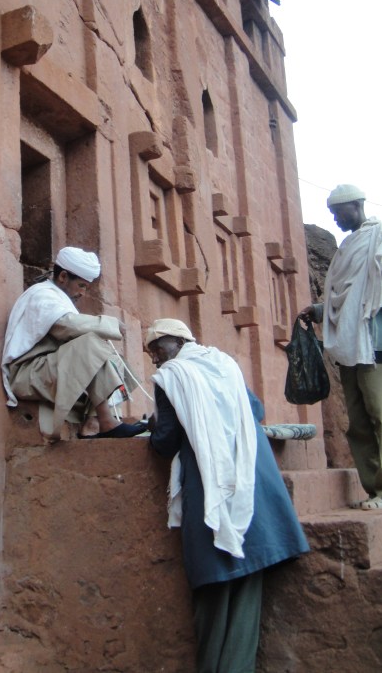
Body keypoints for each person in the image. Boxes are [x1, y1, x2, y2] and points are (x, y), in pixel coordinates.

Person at [146, 318, 309, 673]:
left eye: (155, 351)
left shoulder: (172, 377)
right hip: (253, 476)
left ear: (169, 345)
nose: (155, 361)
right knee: (247, 583)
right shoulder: (223, 363)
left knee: (214, 582)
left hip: (212, 487)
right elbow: (255, 410)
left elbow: (164, 443)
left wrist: (154, 425)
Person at [2, 246, 147, 440]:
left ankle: (93, 424)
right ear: (63, 277)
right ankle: (106, 422)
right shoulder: (42, 294)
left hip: (48, 369)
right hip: (27, 374)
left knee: (112, 358)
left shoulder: (58, 298)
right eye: (82, 285)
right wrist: (106, 324)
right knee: (91, 344)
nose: (83, 293)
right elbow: (64, 326)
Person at [299, 183, 382, 510]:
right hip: (350, 346)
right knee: (359, 422)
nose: (334, 219)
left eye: (338, 212)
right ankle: (374, 489)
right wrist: (319, 311)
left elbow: (370, 295)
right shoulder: (349, 246)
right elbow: (345, 294)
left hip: (375, 345)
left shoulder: (377, 240)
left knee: (379, 413)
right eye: (331, 213)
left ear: (357, 205)